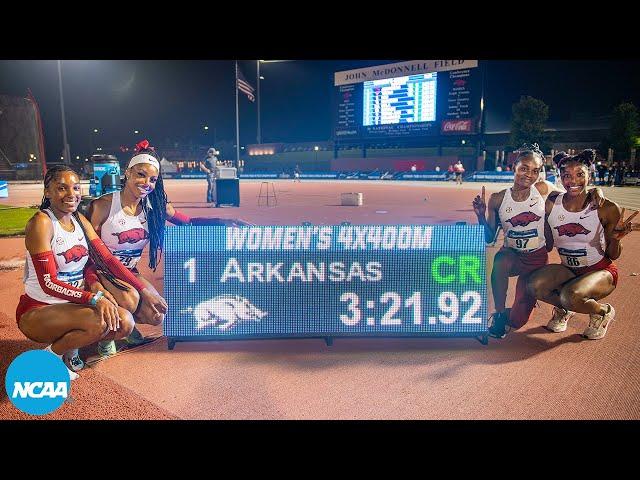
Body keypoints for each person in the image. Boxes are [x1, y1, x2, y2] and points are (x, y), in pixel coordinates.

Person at [87, 140, 252, 358]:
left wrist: (223, 221)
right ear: (127, 173)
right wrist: (95, 285)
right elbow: (89, 255)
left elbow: (188, 222)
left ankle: (125, 322)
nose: (146, 183)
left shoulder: (154, 208)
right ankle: (107, 335)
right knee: (130, 298)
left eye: (153, 179)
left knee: (157, 315)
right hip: (102, 271)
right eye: (140, 175)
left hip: (129, 273)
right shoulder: (103, 205)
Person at [15, 166, 159, 378]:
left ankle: (71, 346)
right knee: (101, 321)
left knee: (125, 322)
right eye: (62, 188)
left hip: (72, 304)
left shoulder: (79, 220)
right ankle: (50, 357)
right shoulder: (42, 223)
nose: (71, 194)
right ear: (47, 192)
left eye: (75, 187)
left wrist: (143, 290)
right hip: (40, 309)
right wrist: (94, 298)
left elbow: (108, 259)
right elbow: (48, 283)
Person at [472, 144, 603, 339]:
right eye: (524, 168)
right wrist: (481, 216)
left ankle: (560, 309)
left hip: (536, 260)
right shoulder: (498, 199)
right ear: (514, 166)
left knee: (517, 321)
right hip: (512, 256)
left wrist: (596, 191)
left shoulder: (543, 189)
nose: (529, 175)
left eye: (535, 170)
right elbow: (489, 237)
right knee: (500, 261)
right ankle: (499, 314)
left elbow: (573, 191)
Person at [527, 149, 639, 340]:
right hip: (569, 270)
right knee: (533, 286)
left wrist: (615, 239)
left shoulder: (607, 208)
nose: (573, 181)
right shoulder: (552, 202)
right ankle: (565, 309)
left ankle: (602, 312)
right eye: (566, 176)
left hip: (600, 271)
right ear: (560, 177)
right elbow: (548, 244)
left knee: (570, 297)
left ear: (590, 174)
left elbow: (614, 255)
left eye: (580, 174)